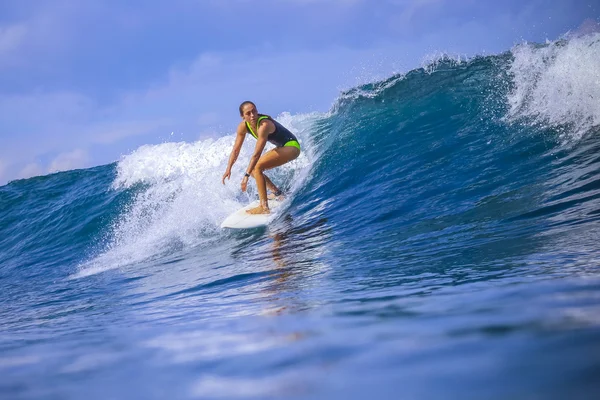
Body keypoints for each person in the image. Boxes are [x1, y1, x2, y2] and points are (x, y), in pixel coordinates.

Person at [222, 101, 301, 214]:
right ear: (242, 116)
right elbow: (236, 150)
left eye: (254, 111)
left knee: (257, 167)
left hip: (292, 147)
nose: (252, 115)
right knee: (254, 170)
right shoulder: (243, 127)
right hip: (282, 147)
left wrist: (246, 176)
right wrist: (228, 168)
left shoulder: (264, 125)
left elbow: (257, 154)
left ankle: (264, 207)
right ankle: (278, 193)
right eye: (248, 113)